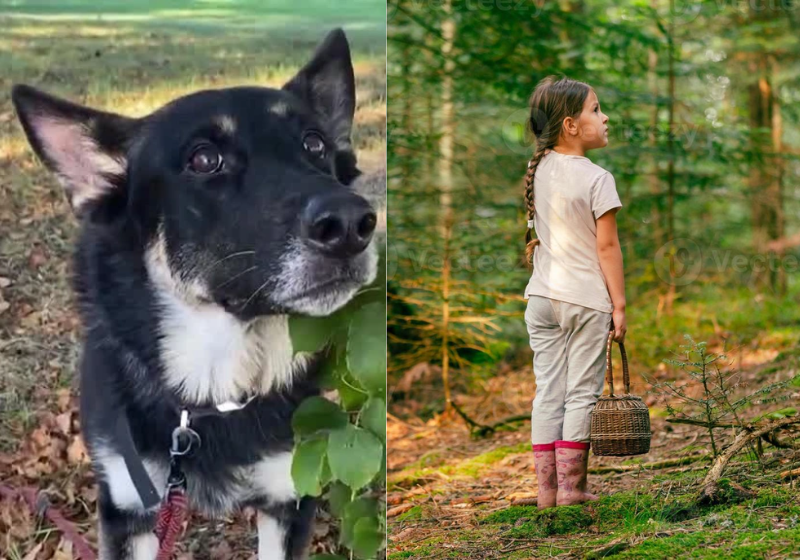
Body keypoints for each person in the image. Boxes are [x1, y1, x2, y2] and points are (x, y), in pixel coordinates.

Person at [522, 76, 627, 509]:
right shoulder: (598, 178)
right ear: (570, 124)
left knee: (548, 390)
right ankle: (571, 490)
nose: (605, 118)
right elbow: (607, 247)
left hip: (542, 299)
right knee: (581, 393)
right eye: (596, 110)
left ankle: (546, 492)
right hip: (584, 299)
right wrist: (619, 305)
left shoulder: (539, 168)